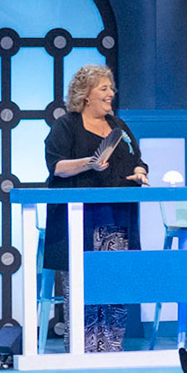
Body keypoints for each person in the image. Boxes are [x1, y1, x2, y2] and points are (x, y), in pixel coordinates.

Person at [44, 63, 148, 351]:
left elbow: (137, 158)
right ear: (86, 94)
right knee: (83, 286)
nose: (111, 93)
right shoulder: (66, 126)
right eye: (104, 88)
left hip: (118, 218)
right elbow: (57, 167)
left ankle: (112, 349)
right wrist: (89, 163)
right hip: (81, 222)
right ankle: (82, 351)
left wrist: (140, 171)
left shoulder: (118, 126)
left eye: (111, 88)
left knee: (115, 285)